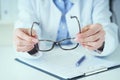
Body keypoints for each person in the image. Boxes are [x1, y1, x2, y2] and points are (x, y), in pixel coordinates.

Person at [14, 0, 119, 59]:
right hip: (45, 64)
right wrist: (28, 44)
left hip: (84, 63)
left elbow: (107, 29)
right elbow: (25, 27)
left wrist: (100, 42)